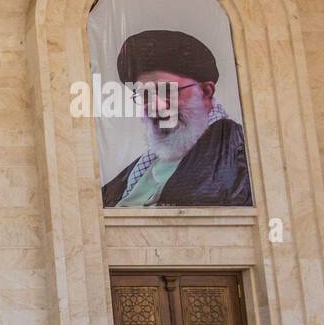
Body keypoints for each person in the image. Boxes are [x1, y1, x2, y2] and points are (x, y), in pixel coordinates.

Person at [101, 30, 251, 207]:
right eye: (145, 94)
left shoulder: (240, 153)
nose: (156, 106)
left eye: (168, 91)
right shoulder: (142, 167)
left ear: (205, 91)